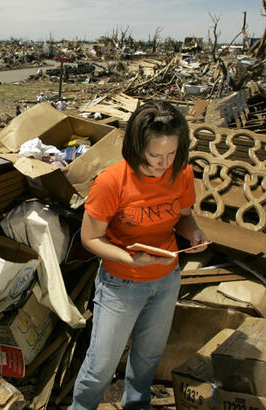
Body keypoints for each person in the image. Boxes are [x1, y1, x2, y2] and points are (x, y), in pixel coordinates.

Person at [70, 101, 209, 410]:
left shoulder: (182, 173)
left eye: (171, 154)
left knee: (148, 358)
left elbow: (184, 217)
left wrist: (194, 233)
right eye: (155, 155)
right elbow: (90, 238)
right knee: (100, 367)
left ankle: (137, 405)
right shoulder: (111, 181)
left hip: (166, 281)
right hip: (121, 285)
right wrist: (130, 260)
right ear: (136, 146)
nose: (164, 163)